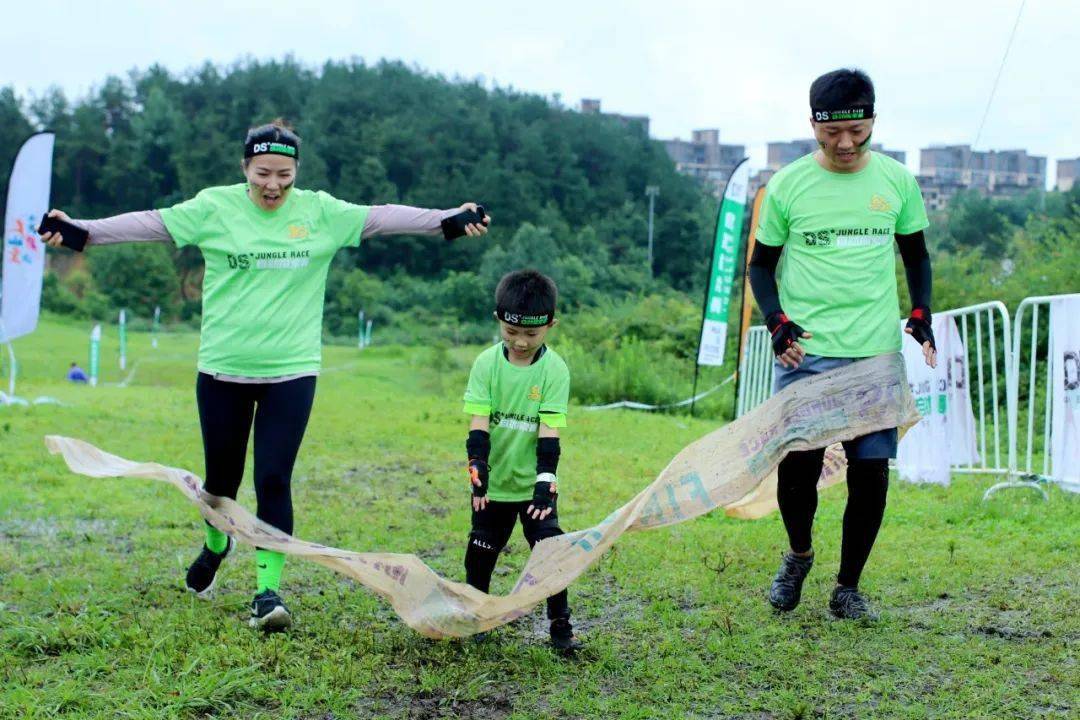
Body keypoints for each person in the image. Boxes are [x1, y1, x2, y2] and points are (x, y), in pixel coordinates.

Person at [41, 119, 490, 632]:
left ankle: (267, 592)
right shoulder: (215, 207)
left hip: (291, 372)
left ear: (296, 172)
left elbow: (383, 217)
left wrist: (447, 220)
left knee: (273, 478)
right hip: (222, 370)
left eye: (284, 175)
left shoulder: (319, 212)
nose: (273, 185)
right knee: (219, 486)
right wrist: (84, 232)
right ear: (244, 169)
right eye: (262, 174)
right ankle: (217, 542)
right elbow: (151, 224)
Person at [748, 69, 936, 620]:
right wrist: (776, 319)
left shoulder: (897, 182)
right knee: (798, 465)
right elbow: (761, 267)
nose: (847, 143)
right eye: (833, 133)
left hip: (875, 351)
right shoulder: (788, 187)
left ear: (873, 120)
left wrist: (921, 308)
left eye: (858, 130)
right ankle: (799, 554)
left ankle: (848, 587)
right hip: (805, 353)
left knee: (871, 471)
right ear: (813, 126)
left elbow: (916, 255)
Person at [461, 269, 581, 652]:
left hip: (534, 487)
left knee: (550, 552)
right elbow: (479, 423)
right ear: (499, 320)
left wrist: (545, 483)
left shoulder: (555, 370)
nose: (521, 342)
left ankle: (560, 627)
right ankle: (476, 618)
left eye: (531, 334)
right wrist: (477, 467)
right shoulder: (485, 364)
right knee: (480, 553)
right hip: (494, 486)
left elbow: (549, 432)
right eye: (512, 332)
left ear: (550, 325)